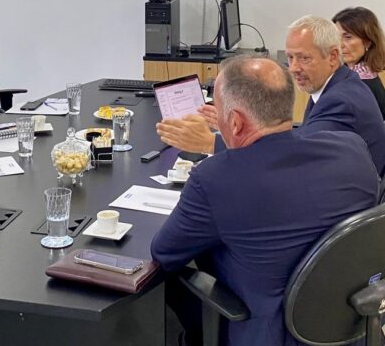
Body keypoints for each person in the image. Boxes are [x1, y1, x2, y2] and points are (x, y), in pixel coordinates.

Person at [151, 56, 378, 346]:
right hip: (350, 323)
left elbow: (164, 253)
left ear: (234, 122)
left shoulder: (214, 179)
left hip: (270, 333)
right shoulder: (351, 149)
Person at [157, 16, 385, 176]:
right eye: (291, 58)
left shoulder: (341, 101)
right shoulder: (337, 85)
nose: (294, 69)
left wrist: (210, 142)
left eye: (304, 59)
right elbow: (303, 137)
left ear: (333, 57)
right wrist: (238, 127)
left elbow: (293, 156)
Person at [332, 6, 385, 118]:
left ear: (367, 42)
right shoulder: (339, 73)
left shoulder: (369, 81)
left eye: (348, 37)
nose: (340, 44)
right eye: (336, 37)